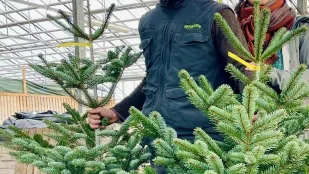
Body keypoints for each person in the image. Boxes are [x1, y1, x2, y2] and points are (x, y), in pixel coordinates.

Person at [88, 0, 250, 143]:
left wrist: (254, 108)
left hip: (205, 138)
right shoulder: (149, 21)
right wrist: (116, 112)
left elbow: (243, 66)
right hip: (157, 135)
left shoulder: (217, 14)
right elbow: (153, 80)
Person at [236, 0, 309, 138]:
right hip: (247, 141)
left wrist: (271, 74)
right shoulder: (232, 30)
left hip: (297, 137)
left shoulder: (300, 28)